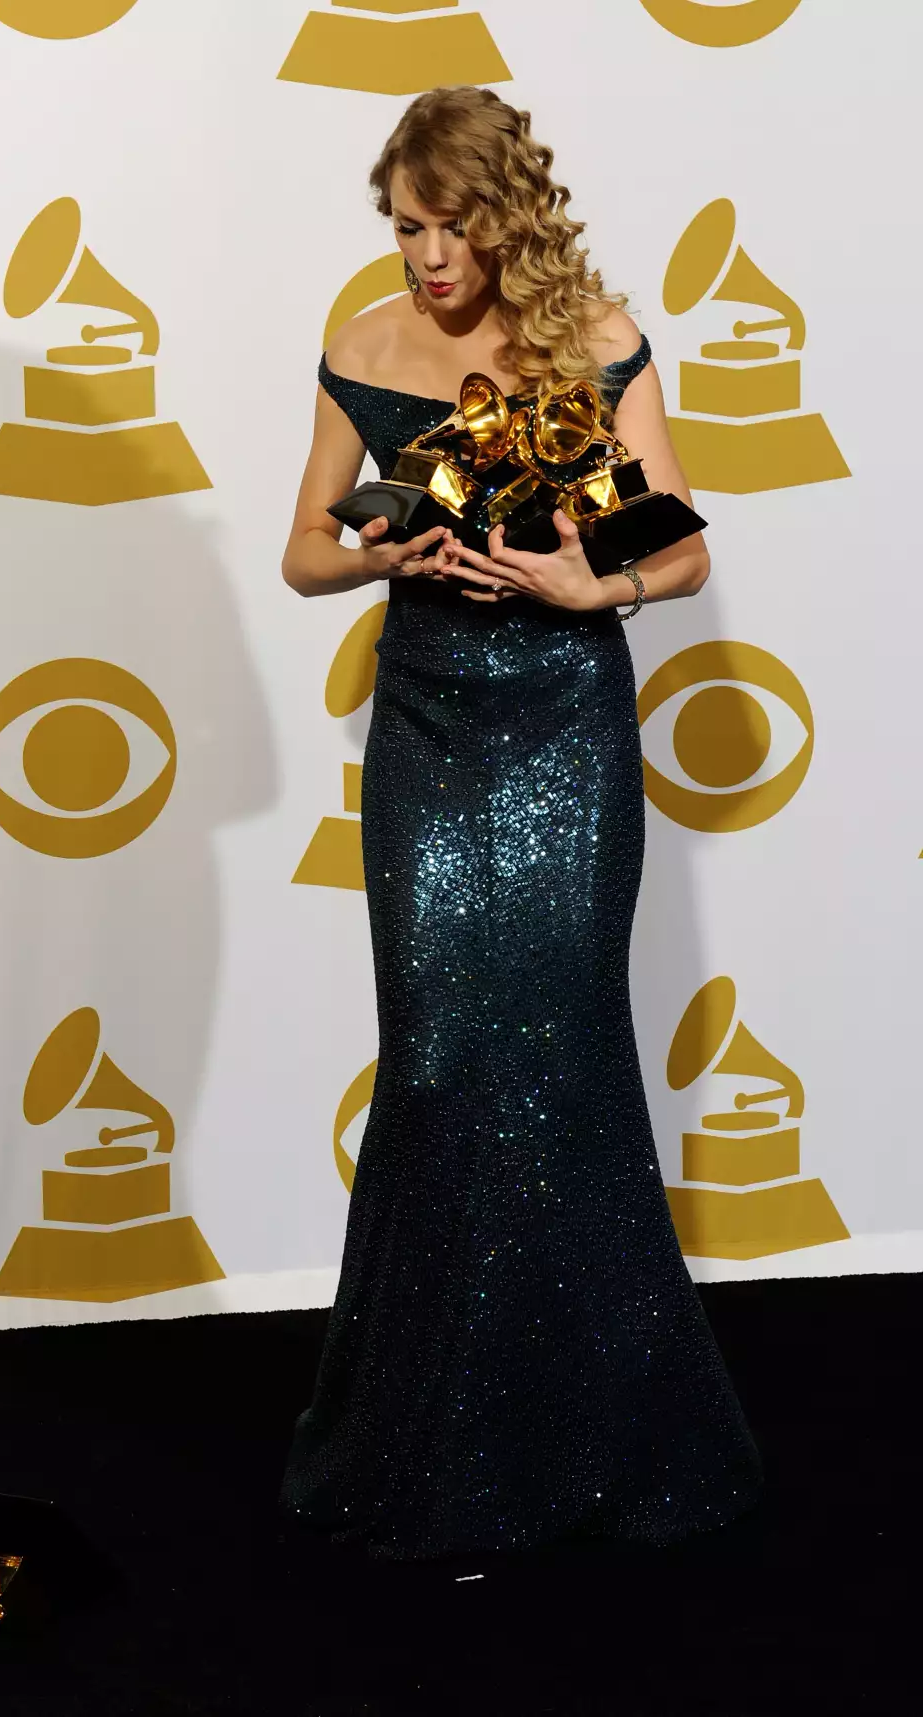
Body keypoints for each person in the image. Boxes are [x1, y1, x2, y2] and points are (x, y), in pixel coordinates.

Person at [278, 85, 762, 1563]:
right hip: (428, 728)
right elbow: (302, 553)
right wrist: (388, 555)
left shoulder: (592, 344)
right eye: (407, 228)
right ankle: (425, 1432)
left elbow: (669, 548)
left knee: (557, 1055)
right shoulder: (365, 352)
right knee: (434, 1059)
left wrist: (585, 586)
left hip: (563, 725)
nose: (428, 257)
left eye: (452, 225)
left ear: (509, 215)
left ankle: (599, 1436)